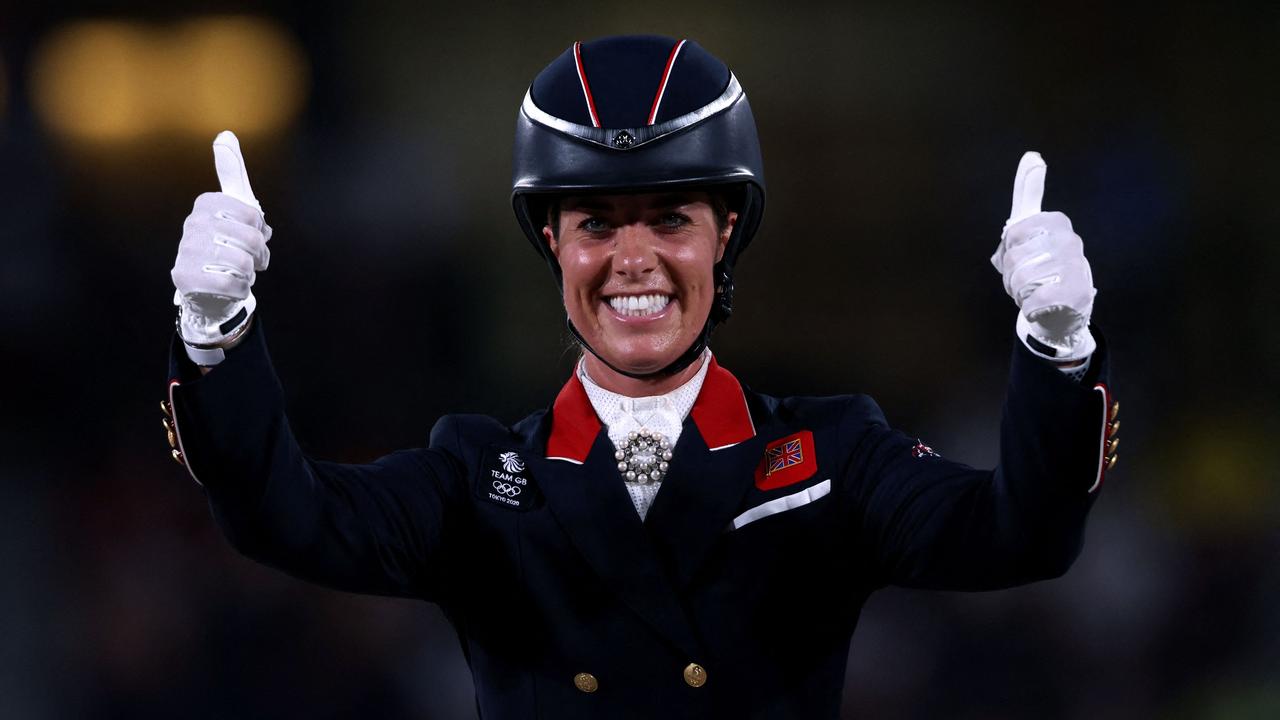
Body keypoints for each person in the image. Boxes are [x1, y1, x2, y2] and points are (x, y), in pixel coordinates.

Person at [160, 35, 1120, 719]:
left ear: (726, 234)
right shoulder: (480, 476)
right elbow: (286, 516)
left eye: (670, 220)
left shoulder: (829, 456)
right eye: (595, 223)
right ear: (551, 241)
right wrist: (216, 338)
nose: (634, 259)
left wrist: (1057, 351)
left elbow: (1020, 535)